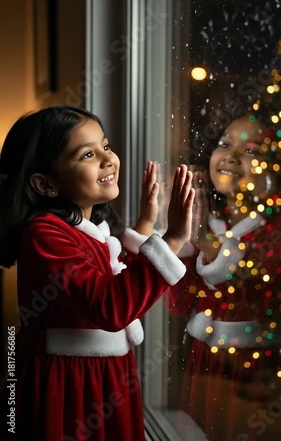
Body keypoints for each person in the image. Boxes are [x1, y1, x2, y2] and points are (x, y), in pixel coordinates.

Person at [0, 105, 195, 441]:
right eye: (88, 154)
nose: (108, 159)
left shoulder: (91, 229)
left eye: (105, 146)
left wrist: (145, 227)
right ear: (46, 184)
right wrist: (173, 239)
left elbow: (117, 285)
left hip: (103, 374)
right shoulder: (44, 234)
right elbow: (109, 306)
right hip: (69, 384)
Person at [166, 91, 281, 440]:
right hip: (204, 363)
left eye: (250, 151)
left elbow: (253, 293)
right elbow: (179, 305)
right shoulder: (215, 224)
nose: (230, 157)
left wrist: (203, 242)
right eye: (224, 144)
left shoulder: (273, 232)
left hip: (257, 372)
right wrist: (183, 242)